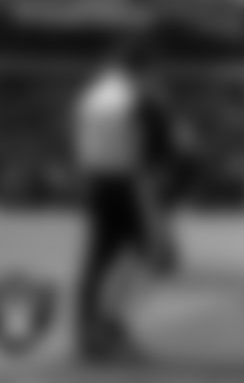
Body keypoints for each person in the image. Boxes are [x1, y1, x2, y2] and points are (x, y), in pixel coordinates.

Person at [71, 37, 171, 361]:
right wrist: (157, 215)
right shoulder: (142, 99)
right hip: (129, 182)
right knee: (147, 254)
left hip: (94, 180)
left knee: (97, 258)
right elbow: (152, 158)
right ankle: (110, 325)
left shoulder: (93, 95)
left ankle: (87, 331)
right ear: (146, 67)